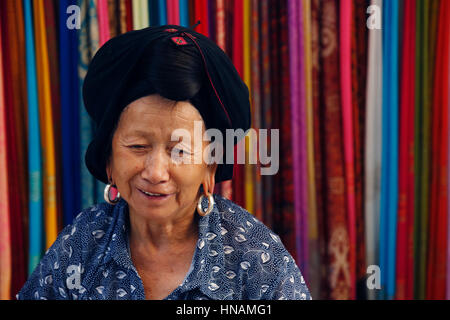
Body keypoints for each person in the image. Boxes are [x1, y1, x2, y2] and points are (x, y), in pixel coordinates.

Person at [17, 25, 311, 300]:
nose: (155, 173)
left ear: (210, 166)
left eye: (180, 150)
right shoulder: (81, 246)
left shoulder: (257, 259)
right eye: (138, 146)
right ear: (109, 160)